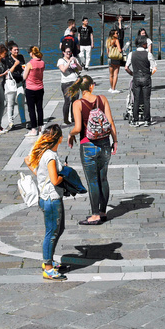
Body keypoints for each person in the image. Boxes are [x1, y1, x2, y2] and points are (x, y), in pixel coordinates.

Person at [69, 76, 116, 225]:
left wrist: (70, 135)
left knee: (92, 181)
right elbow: (111, 121)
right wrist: (115, 140)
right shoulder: (102, 99)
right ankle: (103, 212)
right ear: (91, 86)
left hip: (88, 145)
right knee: (103, 178)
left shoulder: (77, 103)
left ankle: (95, 214)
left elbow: (78, 128)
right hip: (105, 143)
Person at [27, 125, 68, 280]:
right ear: (59, 138)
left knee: (59, 228)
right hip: (51, 199)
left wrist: (39, 176)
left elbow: (28, 160)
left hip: (46, 198)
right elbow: (55, 180)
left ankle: (48, 260)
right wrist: (65, 174)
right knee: (51, 233)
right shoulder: (50, 156)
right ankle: (48, 267)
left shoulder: (45, 153)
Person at [127, 37, 155, 126]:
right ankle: (147, 120)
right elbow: (154, 68)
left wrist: (132, 73)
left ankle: (135, 120)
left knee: (136, 99)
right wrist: (149, 74)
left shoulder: (131, 54)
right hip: (146, 77)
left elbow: (126, 67)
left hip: (136, 78)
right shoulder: (148, 54)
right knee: (146, 99)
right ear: (143, 44)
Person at [105, 28, 125, 93]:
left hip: (110, 58)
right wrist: (122, 50)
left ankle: (111, 88)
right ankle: (114, 88)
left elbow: (107, 51)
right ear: (113, 34)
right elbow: (119, 50)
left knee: (111, 74)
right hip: (116, 58)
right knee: (115, 74)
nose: (117, 34)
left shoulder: (108, 40)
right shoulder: (116, 40)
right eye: (116, 33)